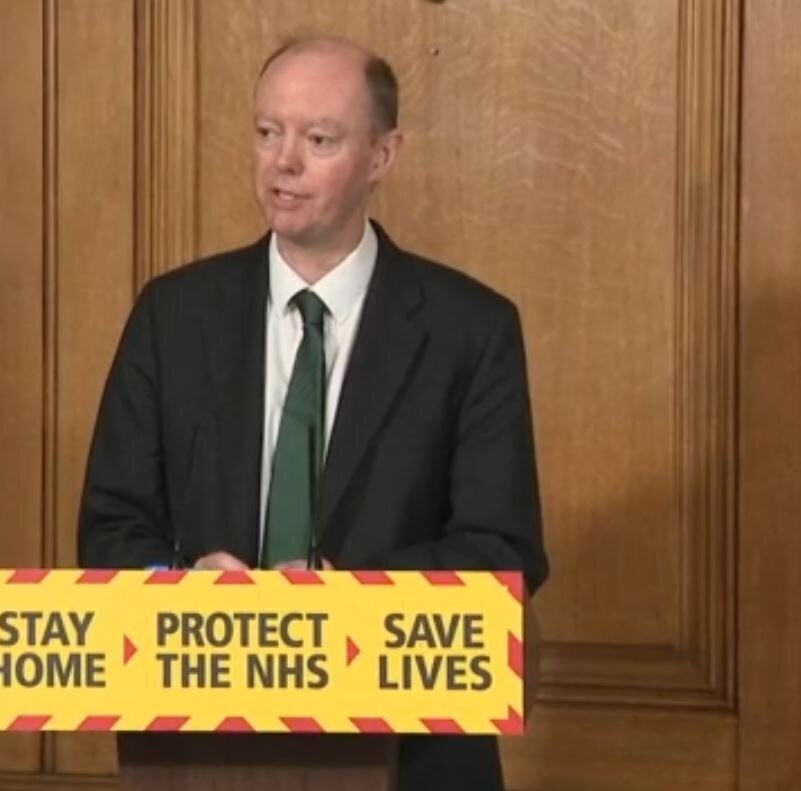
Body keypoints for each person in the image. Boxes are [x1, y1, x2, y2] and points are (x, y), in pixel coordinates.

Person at [78, 34, 549, 791]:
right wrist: (181, 581)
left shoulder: (470, 328)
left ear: (382, 156)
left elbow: (504, 552)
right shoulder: (174, 314)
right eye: (268, 133)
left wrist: (344, 595)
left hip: (409, 747)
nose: (282, 162)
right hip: (201, 742)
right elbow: (110, 528)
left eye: (318, 139)